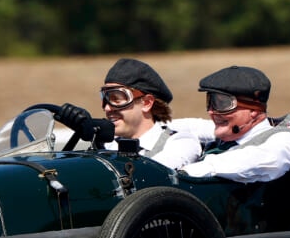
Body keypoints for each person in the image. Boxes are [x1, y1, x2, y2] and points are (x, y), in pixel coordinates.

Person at [55, 57, 200, 170]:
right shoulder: (109, 145)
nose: (107, 108)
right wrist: (89, 135)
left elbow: (151, 173)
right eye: (105, 99)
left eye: (116, 99)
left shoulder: (180, 142)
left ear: (147, 103)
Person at [177, 65, 290, 183]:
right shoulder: (229, 133)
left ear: (253, 110)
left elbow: (265, 159)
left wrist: (189, 172)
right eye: (210, 102)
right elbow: (191, 126)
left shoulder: (288, 140)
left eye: (222, 103)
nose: (212, 111)